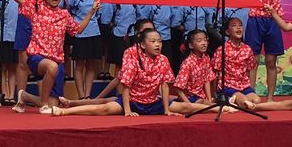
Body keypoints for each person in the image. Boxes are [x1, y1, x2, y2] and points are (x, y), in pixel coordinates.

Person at [0, 0, 101, 113]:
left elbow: (78, 29)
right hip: (37, 58)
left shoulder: (64, 14)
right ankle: (42, 103)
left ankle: (25, 96)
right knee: (52, 67)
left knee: (53, 106)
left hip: (57, 61)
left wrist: (92, 11)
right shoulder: (35, 9)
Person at [50, 28, 198, 117]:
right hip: (133, 101)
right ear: (142, 44)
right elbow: (126, 85)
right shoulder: (132, 55)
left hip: (153, 102)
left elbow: (164, 86)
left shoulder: (163, 59)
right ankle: (65, 111)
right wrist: (127, 110)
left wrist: (166, 110)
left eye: (159, 41)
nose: (157, 44)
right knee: (105, 108)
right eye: (153, 42)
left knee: (186, 107)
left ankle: (214, 108)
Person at [67, 0, 103, 99]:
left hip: (94, 33)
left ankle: (87, 95)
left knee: (91, 65)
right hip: (80, 34)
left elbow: (98, 15)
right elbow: (68, 14)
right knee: (79, 65)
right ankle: (81, 96)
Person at [212, 18, 262, 109]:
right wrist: (214, 94)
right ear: (227, 31)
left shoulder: (247, 49)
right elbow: (216, 73)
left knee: (257, 100)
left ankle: (233, 101)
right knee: (244, 100)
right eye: (234, 26)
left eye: (240, 25)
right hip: (228, 86)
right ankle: (232, 99)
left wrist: (251, 88)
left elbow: (249, 70)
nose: (238, 28)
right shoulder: (222, 49)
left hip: (244, 86)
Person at [172, 29, 215, 104]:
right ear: (191, 45)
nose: (204, 43)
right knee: (209, 105)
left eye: (205, 40)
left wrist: (209, 99)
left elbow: (207, 80)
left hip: (201, 96)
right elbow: (178, 87)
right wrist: (189, 104)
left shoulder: (206, 58)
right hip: (189, 97)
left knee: (211, 103)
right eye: (199, 41)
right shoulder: (187, 62)